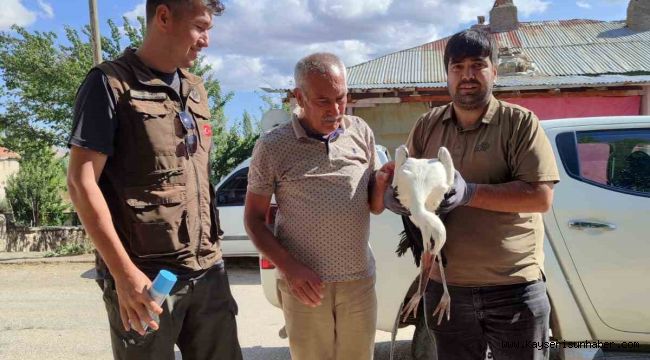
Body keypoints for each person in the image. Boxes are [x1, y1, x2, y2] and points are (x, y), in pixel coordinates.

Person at [66, 1, 242, 359]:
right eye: (200, 27)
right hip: (144, 279)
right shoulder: (110, 83)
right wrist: (124, 275)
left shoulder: (195, 88)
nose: (206, 40)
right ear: (163, 17)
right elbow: (81, 183)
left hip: (207, 271)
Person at [385, 29, 560, 360]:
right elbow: (400, 176)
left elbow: (540, 197)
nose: (466, 76)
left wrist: (471, 193)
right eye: (457, 67)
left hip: (513, 287)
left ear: (494, 70)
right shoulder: (427, 125)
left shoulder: (521, 124)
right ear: (447, 74)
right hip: (447, 287)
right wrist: (395, 198)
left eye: (477, 65)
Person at [243, 52, 391, 360]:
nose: (335, 110)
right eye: (323, 101)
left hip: (358, 282)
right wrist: (291, 269)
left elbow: (374, 207)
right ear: (299, 96)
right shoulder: (272, 146)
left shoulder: (360, 131)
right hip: (304, 287)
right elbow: (254, 220)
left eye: (341, 98)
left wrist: (382, 182)